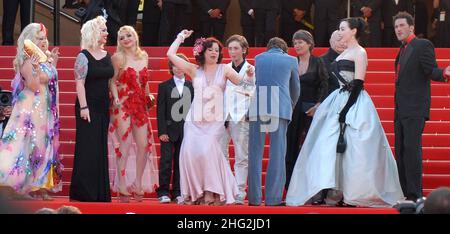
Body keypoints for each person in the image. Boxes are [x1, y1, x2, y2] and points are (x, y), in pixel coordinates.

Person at [286, 17, 405, 207]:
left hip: (354, 103)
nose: (340, 32)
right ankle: (333, 191)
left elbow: (358, 83)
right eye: (339, 29)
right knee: (329, 146)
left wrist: (346, 111)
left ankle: (353, 193)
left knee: (355, 148)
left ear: (354, 31)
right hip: (338, 100)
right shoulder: (345, 52)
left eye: (343, 29)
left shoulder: (360, 52)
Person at [167, 30, 254, 205]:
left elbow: (246, 88)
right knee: (189, 153)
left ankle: (211, 192)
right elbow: (170, 54)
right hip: (194, 120)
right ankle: (195, 193)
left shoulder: (225, 69)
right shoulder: (193, 69)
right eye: (211, 50)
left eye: (217, 50)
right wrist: (180, 37)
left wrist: (250, 77)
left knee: (209, 153)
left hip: (214, 121)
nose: (215, 53)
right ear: (203, 52)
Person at [0, 22, 62, 200]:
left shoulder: (45, 57)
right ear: (30, 41)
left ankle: (39, 185)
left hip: (44, 108)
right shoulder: (27, 59)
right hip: (31, 107)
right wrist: (35, 68)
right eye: (39, 39)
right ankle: (23, 187)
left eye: (44, 38)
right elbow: (34, 85)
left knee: (42, 147)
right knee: (30, 146)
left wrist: (53, 63)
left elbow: (50, 81)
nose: (44, 42)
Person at [393, 12, 450, 202]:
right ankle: (405, 193)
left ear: (411, 27)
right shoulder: (401, 50)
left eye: (402, 26)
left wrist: (444, 72)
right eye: (396, 27)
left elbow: (430, 70)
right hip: (401, 110)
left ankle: (415, 194)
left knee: (411, 150)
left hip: (415, 108)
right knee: (401, 152)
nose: (398, 29)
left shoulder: (422, 45)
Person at [108, 26, 159, 203]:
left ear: (135, 36)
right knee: (125, 144)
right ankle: (122, 185)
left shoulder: (144, 56)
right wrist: (115, 98)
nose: (126, 39)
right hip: (122, 103)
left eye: (129, 35)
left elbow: (144, 82)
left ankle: (138, 184)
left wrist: (148, 96)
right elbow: (112, 81)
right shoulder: (117, 58)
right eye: (122, 37)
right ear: (119, 42)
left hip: (139, 104)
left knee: (144, 145)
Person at [248, 37, 300, 206]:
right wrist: (289, 106)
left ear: (268, 48)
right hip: (280, 106)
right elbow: (296, 89)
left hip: (259, 104)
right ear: (284, 48)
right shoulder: (291, 60)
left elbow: (256, 82)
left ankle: (254, 198)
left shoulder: (259, 58)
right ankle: (273, 198)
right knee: (277, 153)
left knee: (255, 153)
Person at [69, 16, 113, 202]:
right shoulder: (83, 56)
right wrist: (84, 107)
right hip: (88, 107)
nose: (107, 33)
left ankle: (99, 193)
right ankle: (84, 192)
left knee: (100, 149)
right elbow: (79, 83)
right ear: (94, 33)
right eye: (103, 30)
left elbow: (109, 80)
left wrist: (115, 98)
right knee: (87, 149)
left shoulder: (107, 55)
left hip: (103, 107)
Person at [285, 30, 328, 191]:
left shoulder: (318, 62)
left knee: (311, 146)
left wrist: (318, 105)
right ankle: (290, 184)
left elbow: (324, 84)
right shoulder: (291, 62)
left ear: (309, 43)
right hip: (293, 109)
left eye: (300, 42)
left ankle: (312, 185)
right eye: (295, 43)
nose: (297, 45)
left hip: (311, 109)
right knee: (291, 145)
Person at [220, 35, 255, 205]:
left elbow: (251, 93)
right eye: (230, 49)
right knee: (221, 154)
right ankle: (226, 189)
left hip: (241, 117)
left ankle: (240, 192)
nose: (232, 52)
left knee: (241, 156)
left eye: (236, 48)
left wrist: (248, 78)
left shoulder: (251, 69)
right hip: (223, 117)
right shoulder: (224, 68)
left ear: (244, 49)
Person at [156, 53, 194, 204]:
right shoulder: (164, 86)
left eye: (181, 65)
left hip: (186, 130)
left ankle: (178, 191)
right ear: (171, 67)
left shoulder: (192, 86)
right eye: (175, 65)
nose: (178, 69)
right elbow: (160, 110)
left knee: (181, 161)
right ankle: (163, 191)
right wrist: (162, 131)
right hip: (168, 131)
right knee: (166, 161)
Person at [320, 30, 347, 96]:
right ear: (331, 42)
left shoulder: (352, 58)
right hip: (329, 98)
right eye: (338, 40)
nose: (342, 43)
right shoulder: (321, 60)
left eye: (344, 41)